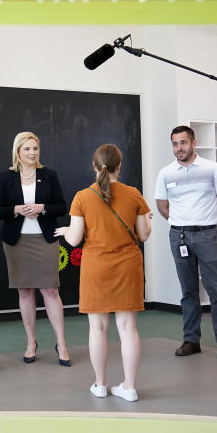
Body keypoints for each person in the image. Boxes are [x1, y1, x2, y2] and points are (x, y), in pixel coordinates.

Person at [55, 143, 152, 401]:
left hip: (96, 267)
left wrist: (65, 231)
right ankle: (129, 387)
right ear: (119, 166)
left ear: (95, 166)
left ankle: (100, 384)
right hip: (128, 266)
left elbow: (75, 240)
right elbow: (143, 235)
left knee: (97, 328)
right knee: (128, 328)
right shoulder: (133, 194)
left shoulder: (82, 197)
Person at [154, 125, 217, 361]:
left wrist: (206, 222)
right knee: (188, 292)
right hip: (179, 236)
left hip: (207, 236)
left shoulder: (211, 168)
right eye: (175, 143)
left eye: (183, 143)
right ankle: (191, 340)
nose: (179, 148)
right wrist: (182, 222)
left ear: (194, 143)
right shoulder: (166, 173)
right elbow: (162, 206)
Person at [0, 132, 71, 366]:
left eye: (35, 148)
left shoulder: (49, 175)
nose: (32, 153)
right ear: (18, 151)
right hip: (17, 243)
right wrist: (16, 209)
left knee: (51, 292)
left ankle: (62, 344)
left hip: (44, 240)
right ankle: (31, 343)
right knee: (25, 292)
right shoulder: (6, 177)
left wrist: (42, 208)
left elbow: (62, 207)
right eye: (27, 149)